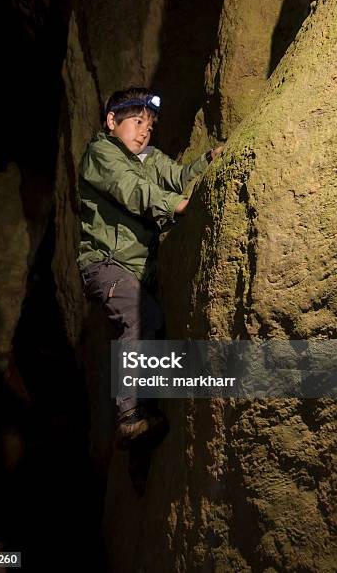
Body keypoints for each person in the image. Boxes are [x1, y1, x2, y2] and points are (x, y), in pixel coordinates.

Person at [77, 87, 223, 450]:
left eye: (150, 126)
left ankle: (142, 448)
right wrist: (176, 206)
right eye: (137, 122)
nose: (144, 131)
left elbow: (178, 175)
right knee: (142, 315)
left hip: (136, 269)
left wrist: (208, 160)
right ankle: (129, 415)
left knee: (153, 326)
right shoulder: (102, 154)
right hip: (105, 265)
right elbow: (130, 190)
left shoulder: (148, 157)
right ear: (112, 122)